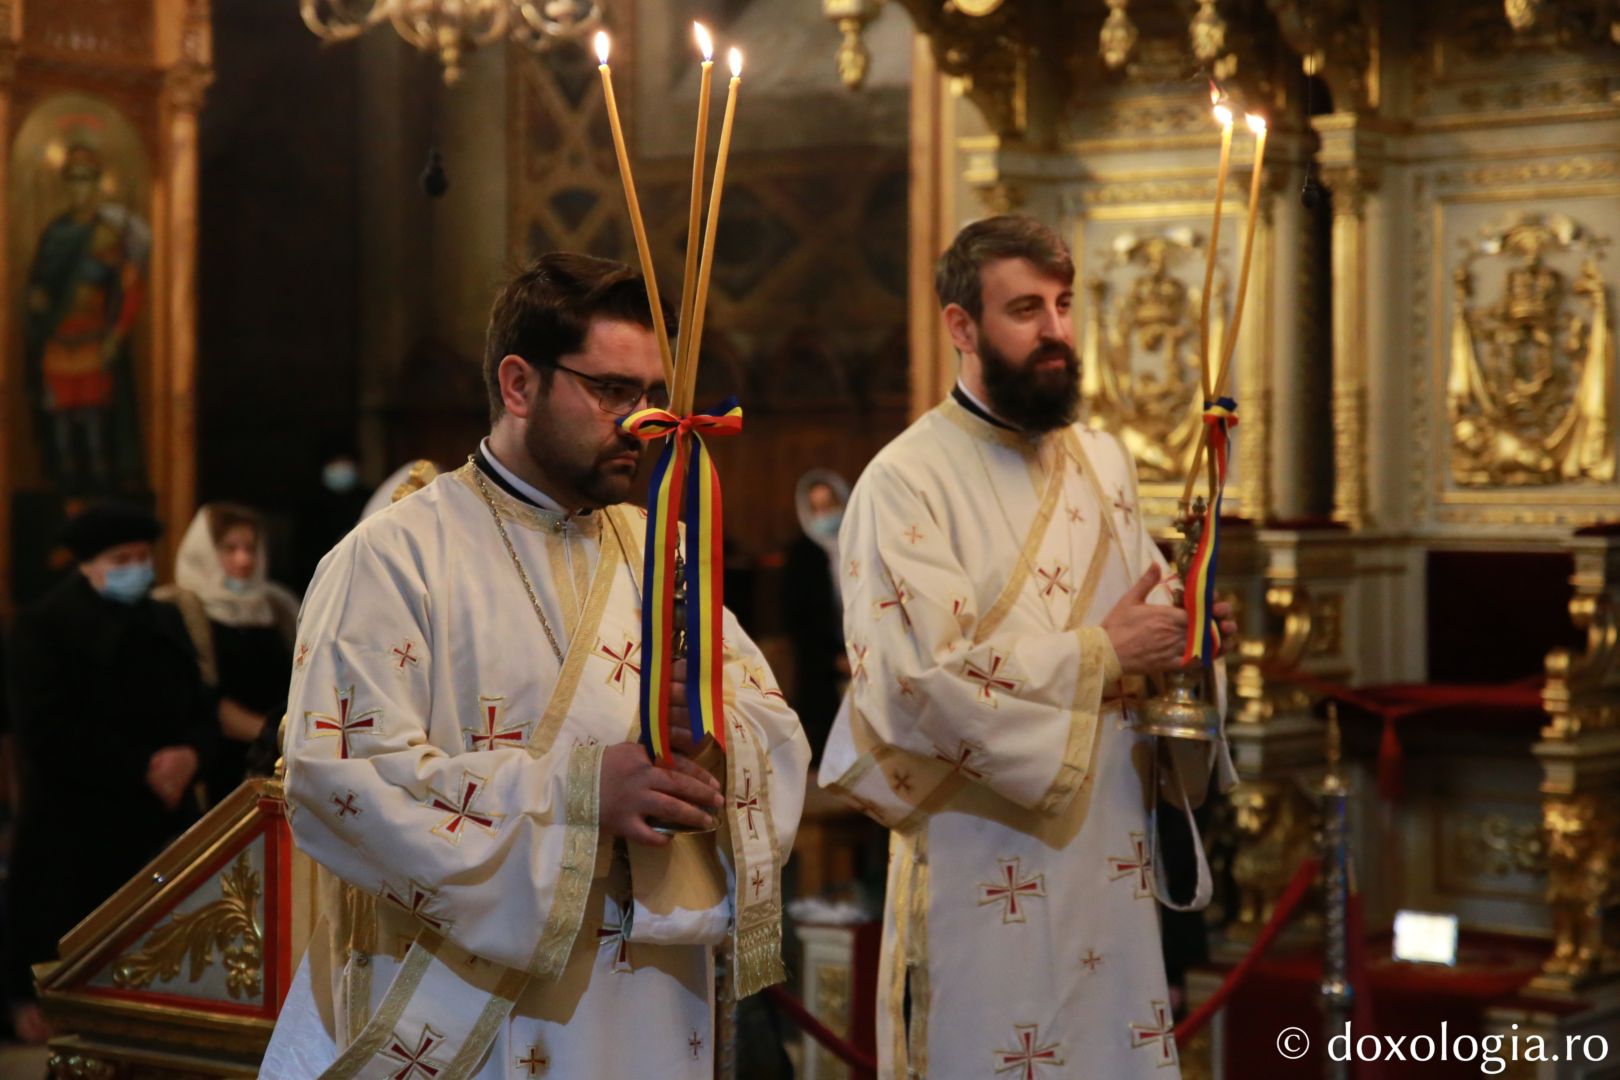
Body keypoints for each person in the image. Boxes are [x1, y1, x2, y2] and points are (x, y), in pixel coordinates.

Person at [262, 253, 810, 1078]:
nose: (644, 422)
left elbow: (773, 728)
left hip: (656, 1003)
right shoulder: (394, 558)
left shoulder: (663, 548)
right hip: (475, 1016)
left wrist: (709, 734)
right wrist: (582, 793)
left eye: (653, 397)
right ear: (519, 384)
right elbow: (340, 780)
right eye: (612, 392)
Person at [820, 215, 1237, 1078]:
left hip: (1108, 854)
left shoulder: (1103, 460)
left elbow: (1141, 627)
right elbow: (910, 687)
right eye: (1025, 310)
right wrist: (1100, 654)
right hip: (981, 856)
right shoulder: (905, 481)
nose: (1055, 331)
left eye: (1063, 305)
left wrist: (1187, 641)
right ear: (961, 327)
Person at [5, 502, 216, 1039]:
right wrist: (142, 767)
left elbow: (199, 706)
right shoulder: (43, 626)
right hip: (77, 824)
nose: (137, 568)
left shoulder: (163, 618)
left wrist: (191, 753)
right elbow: (46, 733)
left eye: (144, 557)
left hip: (162, 820)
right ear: (88, 565)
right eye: (123, 558)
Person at [158, 503, 299, 802]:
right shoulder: (182, 610)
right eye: (230, 548)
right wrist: (276, 735)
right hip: (221, 763)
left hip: (281, 758)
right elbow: (204, 697)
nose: (244, 559)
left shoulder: (276, 607)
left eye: (250, 547)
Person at [781, 469, 850, 763]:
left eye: (830, 506)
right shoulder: (802, 554)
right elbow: (799, 617)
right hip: (820, 663)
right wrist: (833, 657)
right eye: (817, 509)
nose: (825, 515)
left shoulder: (856, 543)